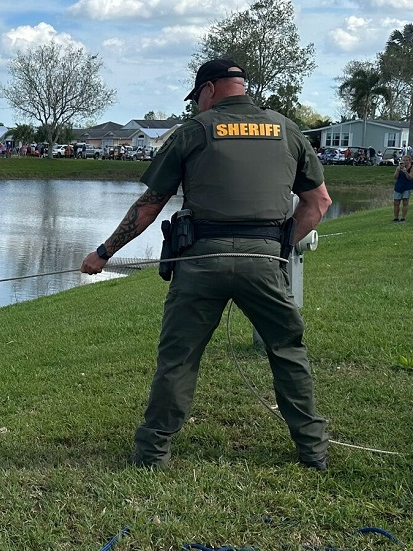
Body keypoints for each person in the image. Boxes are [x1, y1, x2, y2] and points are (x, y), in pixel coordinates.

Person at [81, 59, 333, 470]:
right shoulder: (288, 130)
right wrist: (279, 246)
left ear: (211, 89)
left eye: (197, 96)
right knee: (288, 351)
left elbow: (149, 207)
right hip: (265, 260)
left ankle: (153, 453)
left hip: (202, 260)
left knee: (179, 357)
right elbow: (318, 203)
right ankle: (313, 451)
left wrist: (103, 253)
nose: (197, 105)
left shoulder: (194, 132)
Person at [393, 155, 412, 222]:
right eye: (404, 160)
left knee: (405, 202)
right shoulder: (399, 168)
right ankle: (395, 217)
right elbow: (395, 177)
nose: (405, 162)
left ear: (410, 161)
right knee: (396, 202)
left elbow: (410, 178)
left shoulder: (411, 168)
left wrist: (405, 171)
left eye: (407, 160)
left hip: (407, 187)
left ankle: (403, 217)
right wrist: (398, 170)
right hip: (398, 186)